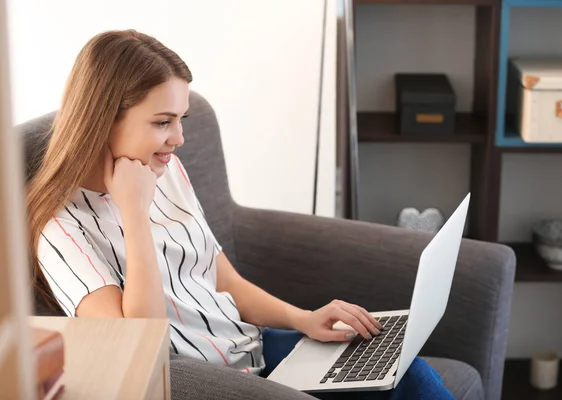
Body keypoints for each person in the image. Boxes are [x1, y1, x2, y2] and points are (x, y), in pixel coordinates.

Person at [27, 29, 453, 400]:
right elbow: (140, 346)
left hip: (257, 349)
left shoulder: (166, 168)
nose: (179, 138)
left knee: (404, 369)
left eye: (181, 119)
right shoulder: (62, 228)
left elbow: (223, 279)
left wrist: (302, 318)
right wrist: (134, 212)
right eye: (162, 122)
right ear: (103, 120)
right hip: (217, 383)